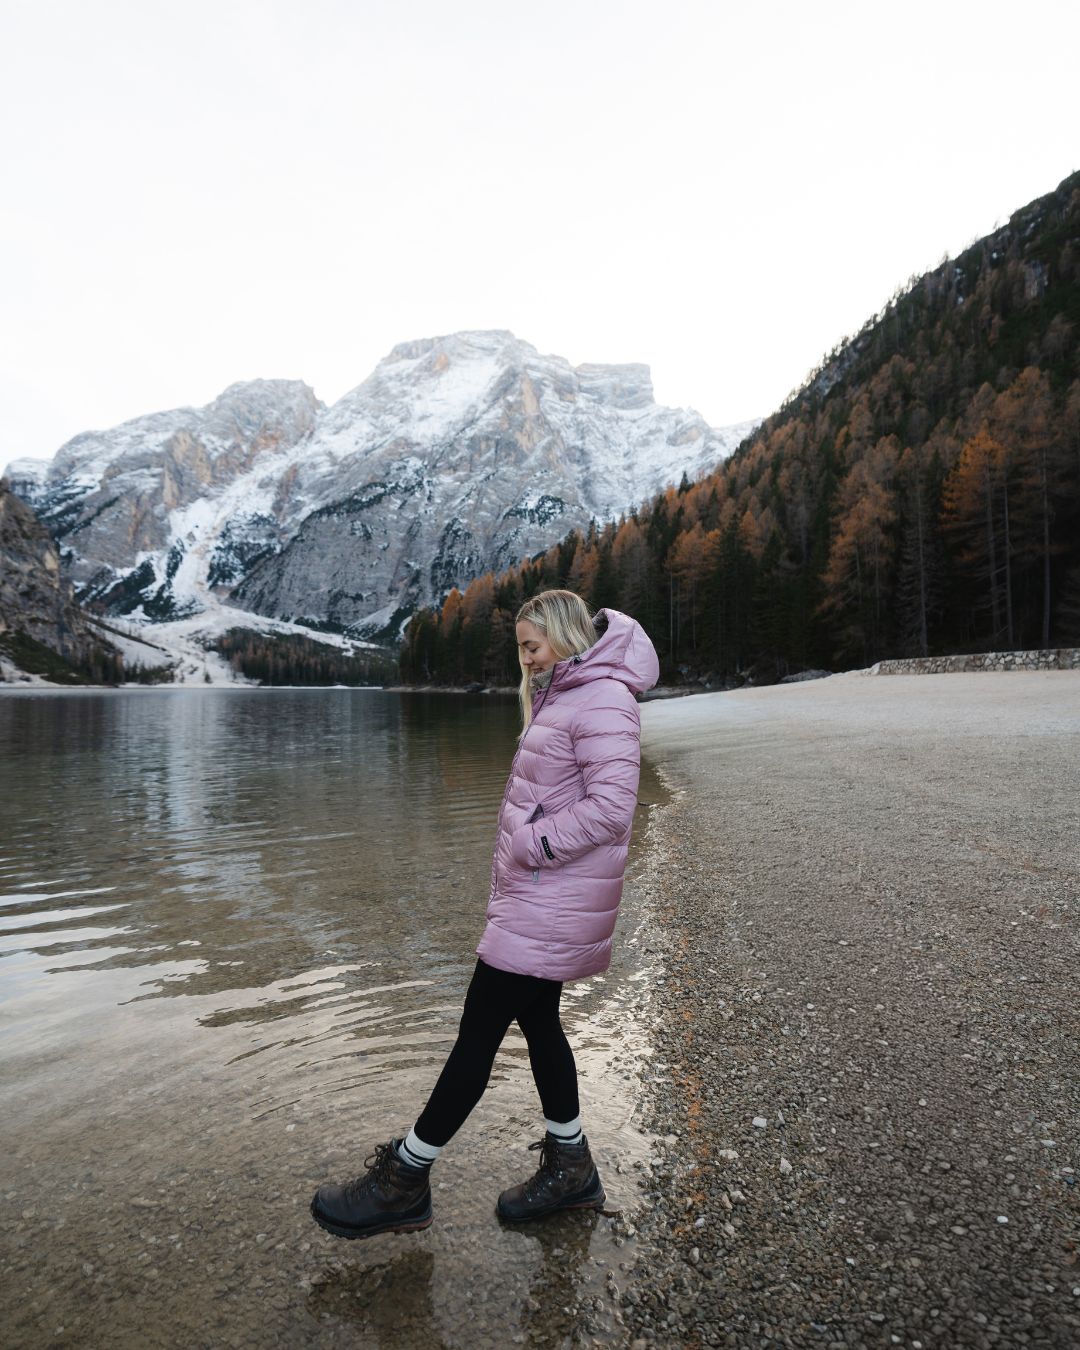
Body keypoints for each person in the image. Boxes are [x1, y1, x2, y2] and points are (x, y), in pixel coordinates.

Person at [310, 589, 660, 1240]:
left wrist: (533, 843)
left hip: (550, 895)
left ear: (564, 637)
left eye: (531, 646)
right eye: (520, 649)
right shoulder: (568, 692)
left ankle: (404, 1182)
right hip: (541, 894)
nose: (524, 660)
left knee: (479, 1032)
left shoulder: (604, 698)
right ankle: (571, 1167)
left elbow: (613, 809)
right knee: (539, 1022)